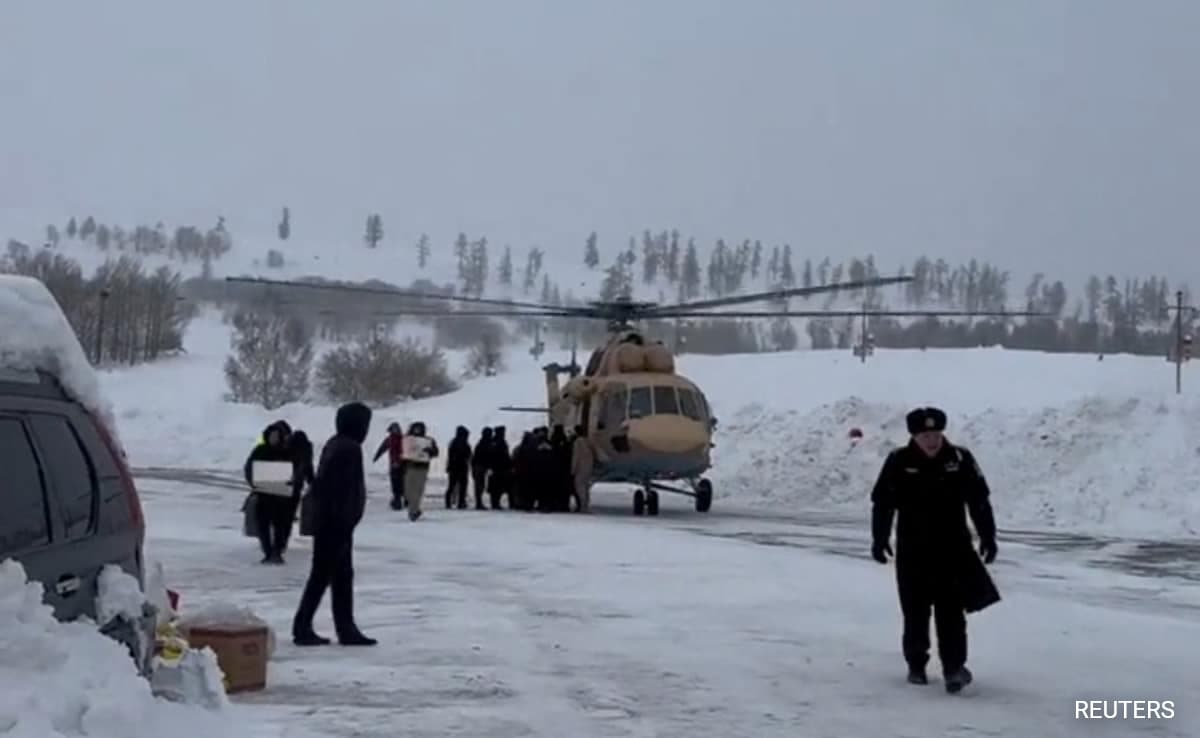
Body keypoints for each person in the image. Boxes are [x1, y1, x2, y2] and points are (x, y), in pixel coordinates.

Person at [870, 406, 999, 693]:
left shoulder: (959, 459)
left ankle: (954, 668)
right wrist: (879, 539)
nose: (932, 440)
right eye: (925, 435)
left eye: (936, 433)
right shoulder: (899, 461)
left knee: (951, 613)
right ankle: (916, 666)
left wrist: (988, 537)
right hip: (913, 551)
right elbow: (883, 504)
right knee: (915, 612)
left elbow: (979, 500)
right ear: (914, 436)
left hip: (953, 550)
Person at [292, 402, 376, 647]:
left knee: (340, 576)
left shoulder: (336, 443)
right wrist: (345, 521)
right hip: (336, 523)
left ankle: (345, 627)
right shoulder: (349, 449)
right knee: (323, 575)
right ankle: (304, 626)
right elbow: (341, 490)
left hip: (334, 522)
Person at [243, 420, 294, 564]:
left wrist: (291, 483)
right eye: (272, 435)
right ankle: (268, 552)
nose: (274, 438)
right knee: (262, 525)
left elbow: (294, 470)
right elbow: (249, 467)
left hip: (280, 496)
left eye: (277, 436)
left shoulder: (287, 451)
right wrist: (254, 483)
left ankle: (277, 552)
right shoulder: (260, 450)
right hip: (263, 494)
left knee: (280, 525)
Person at [280, 429, 316, 557]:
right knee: (288, 517)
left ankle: (279, 542)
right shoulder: (305, 450)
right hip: (295, 488)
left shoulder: (286, 448)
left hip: (282, 486)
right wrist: (313, 484)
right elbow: (308, 469)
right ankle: (283, 541)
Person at [402, 421, 439, 520]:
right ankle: (415, 509)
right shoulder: (408, 439)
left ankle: (413, 511)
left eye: (419, 428)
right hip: (410, 466)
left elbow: (436, 452)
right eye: (416, 428)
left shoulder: (429, 440)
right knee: (408, 490)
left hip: (422, 467)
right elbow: (403, 452)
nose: (417, 430)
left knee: (417, 491)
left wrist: (429, 451)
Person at [373, 422, 406, 510]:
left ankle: (398, 502)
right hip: (398, 464)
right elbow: (382, 448)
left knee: (397, 483)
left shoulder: (396, 439)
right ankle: (400, 501)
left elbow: (382, 448)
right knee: (399, 483)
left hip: (399, 464)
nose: (395, 431)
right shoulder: (393, 439)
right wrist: (376, 457)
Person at [445, 426, 472, 509]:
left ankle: (449, 502)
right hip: (461, 466)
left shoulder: (453, 442)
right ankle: (461, 502)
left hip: (454, 467)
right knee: (461, 486)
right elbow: (468, 455)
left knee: (452, 485)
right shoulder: (464, 443)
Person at [486, 426, 511, 509]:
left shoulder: (496, 441)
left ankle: (496, 503)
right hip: (497, 467)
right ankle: (495, 503)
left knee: (498, 487)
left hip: (500, 467)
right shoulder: (497, 442)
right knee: (496, 487)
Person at [571, 426, 594, 513]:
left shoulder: (577, 442)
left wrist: (573, 469)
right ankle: (585, 505)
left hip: (580, 468)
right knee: (585, 487)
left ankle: (583, 505)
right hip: (588, 467)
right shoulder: (588, 441)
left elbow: (576, 457)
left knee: (579, 487)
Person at [471, 427, 493, 510]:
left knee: (480, 485)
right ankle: (478, 503)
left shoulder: (482, 443)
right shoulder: (485, 443)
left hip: (480, 466)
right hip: (480, 466)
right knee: (480, 485)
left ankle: (479, 502)